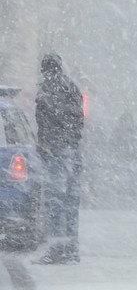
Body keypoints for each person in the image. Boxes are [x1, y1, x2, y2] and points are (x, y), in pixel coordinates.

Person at [33, 53, 85, 265]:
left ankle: (56, 250)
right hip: (73, 151)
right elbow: (79, 119)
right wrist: (72, 140)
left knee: (55, 202)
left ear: (45, 70)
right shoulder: (71, 87)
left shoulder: (46, 90)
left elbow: (44, 124)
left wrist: (46, 147)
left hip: (56, 152)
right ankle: (71, 250)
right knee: (71, 202)